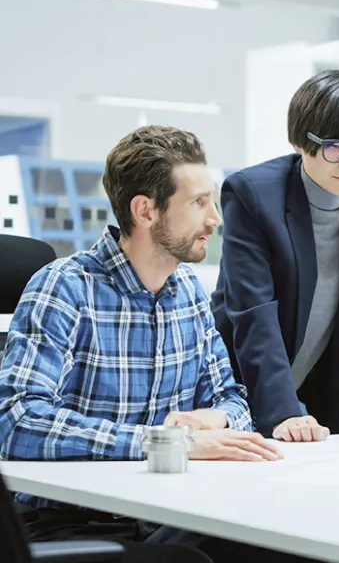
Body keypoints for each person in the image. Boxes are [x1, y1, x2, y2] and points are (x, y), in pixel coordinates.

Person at [0, 125, 286, 563]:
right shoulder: (64, 288)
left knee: (283, 547)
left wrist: (215, 419)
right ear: (145, 211)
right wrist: (168, 442)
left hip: (169, 513)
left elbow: (233, 400)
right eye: (198, 202)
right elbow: (17, 422)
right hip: (73, 522)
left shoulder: (187, 291)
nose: (215, 218)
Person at [210, 70, 339, 441]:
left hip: (319, 389)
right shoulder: (253, 196)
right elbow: (253, 313)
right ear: (300, 141)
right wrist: (283, 414)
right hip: (237, 390)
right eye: (336, 147)